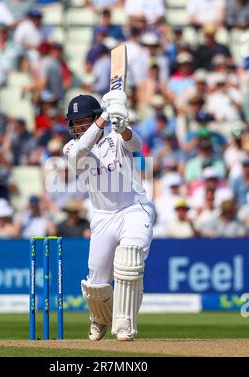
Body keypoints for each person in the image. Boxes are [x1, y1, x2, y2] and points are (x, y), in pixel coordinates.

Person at [63, 91, 155, 341]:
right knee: (95, 284)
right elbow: (80, 150)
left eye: (84, 120)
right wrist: (104, 116)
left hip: (134, 207)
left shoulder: (116, 136)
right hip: (103, 216)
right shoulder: (70, 147)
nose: (79, 126)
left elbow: (136, 144)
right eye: (76, 122)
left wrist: (123, 126)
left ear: (92, 118)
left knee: (129, 260)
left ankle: (124, 324)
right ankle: (100, 317)